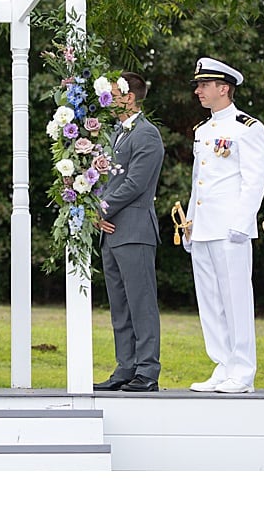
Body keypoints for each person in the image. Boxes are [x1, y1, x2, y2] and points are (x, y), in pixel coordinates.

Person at [185, 57, 264, 394]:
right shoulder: (203, 131)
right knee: (210, 301)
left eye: (204, 85)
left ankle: (243, 370)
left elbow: (254, 179)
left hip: (230, 228)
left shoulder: (247, 127)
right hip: (203, 226)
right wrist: (189, 223)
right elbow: (198, 182)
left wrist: (241, 221)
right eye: (198, 85)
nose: (198, 90)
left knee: (236, 299)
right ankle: (222, 364)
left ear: (224, 88)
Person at [94, 72, 165, 393]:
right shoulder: (114, 134)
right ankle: (126, 366)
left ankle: (147, 370)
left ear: (129, 97)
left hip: (134, 230)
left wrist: (101, 208)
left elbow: (135, 184)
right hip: (110, 231)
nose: (106, 100)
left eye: (111, 94)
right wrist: (95, 209)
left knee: (141, 303)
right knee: (119, 306)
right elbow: (103, 179)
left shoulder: (146, 135)